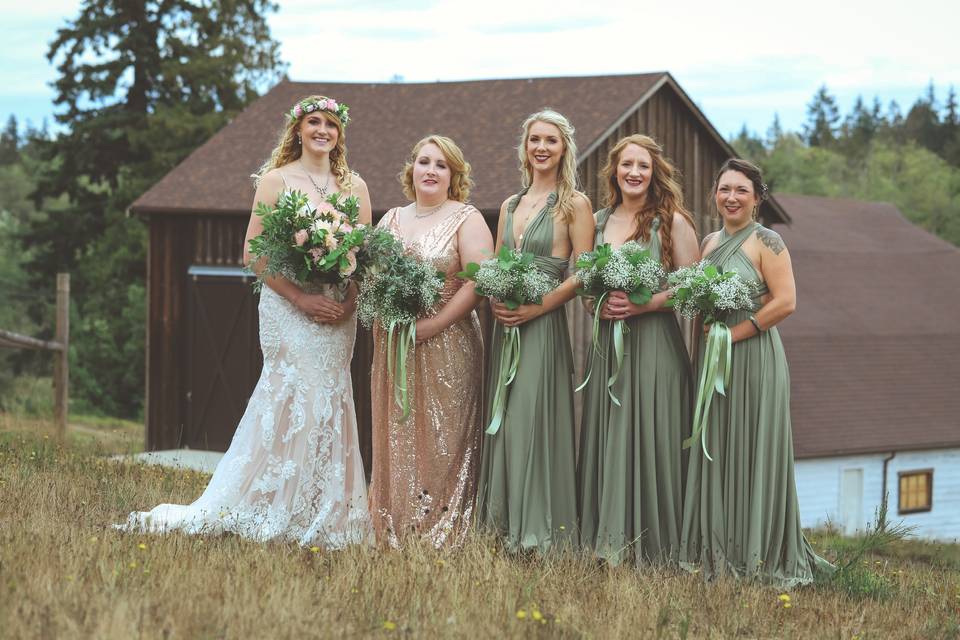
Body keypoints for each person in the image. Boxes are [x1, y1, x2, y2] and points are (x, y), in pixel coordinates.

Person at [120, 96, 373, 548]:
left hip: (337, 312)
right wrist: (300, 298)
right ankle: (272, 502)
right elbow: (252, 253)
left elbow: (364, 256)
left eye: (330, 124)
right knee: (293, 395)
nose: (322, 130)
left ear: (340, 134)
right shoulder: (276, 180)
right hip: (288, 306)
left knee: (331, 397)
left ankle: (321, 507)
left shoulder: (355, 187)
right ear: (297, 130)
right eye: (313, 121)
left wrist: (349, 302)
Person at [678, 158, 832, 586]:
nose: (731, 197)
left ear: (757, 198)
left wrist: (734, 335)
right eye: (724, 189)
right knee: (717, 446)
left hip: (753, 358)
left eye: (741, 190)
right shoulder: (708, 243)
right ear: (714, 195)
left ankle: (758, 552)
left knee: (751, 445)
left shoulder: (769, 241)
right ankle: (715, 544)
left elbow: (786, 302)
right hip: (711, 357)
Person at [577, 134, 699, 565]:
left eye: (642, 166)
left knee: (653, 436)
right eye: (626, 165)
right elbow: (585, 284)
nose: (633, 173)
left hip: (655, 347)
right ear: (614, 171)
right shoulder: (597, 219)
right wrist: (596, 302)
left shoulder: (672, 223)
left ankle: (655, 544)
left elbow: (691, 287)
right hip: (608, 347)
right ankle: (606, 538)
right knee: (611, 434)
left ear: (654, 173)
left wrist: (647, 302)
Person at [476, 109, 594, 553]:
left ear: (564, 148)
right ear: (524, 148)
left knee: (533, 417)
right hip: (507, 325)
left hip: (542, 327)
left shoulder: (574, 205)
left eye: (550, 140)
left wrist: (535, 309)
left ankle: (540, 529)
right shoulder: (509, 204)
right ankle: (503, 523)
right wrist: (494, 295)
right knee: (504, 420)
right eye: (533, 140)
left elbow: (580, 274)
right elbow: (495, 263)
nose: (541, 147)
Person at [369, 135, 493, 548]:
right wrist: (392, 320)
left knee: (444, 437)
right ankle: (394, 522)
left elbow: (478, 282)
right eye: (424, 162)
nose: (431, 171)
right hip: (395, 343)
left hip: (449, 342)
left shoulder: (466, 217)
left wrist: (434, 324)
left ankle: (441, 528)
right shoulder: (390, 219)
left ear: (454, 175)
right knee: (399, 431)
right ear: (412, 169)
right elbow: (373, 279)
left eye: (441, 165)